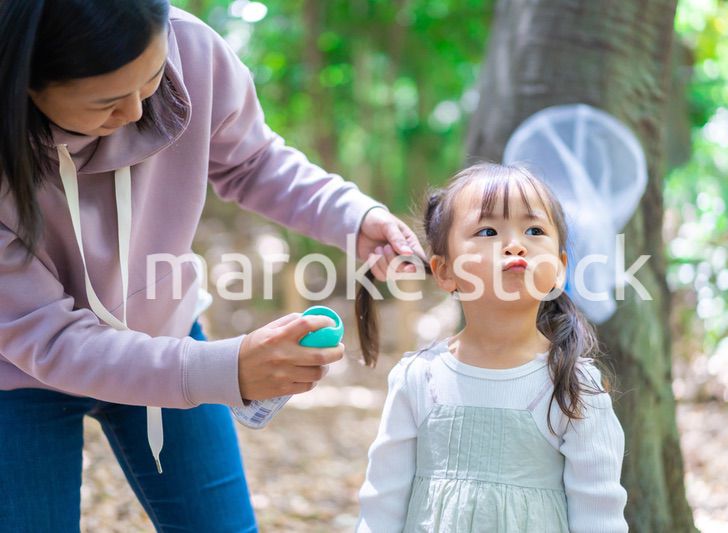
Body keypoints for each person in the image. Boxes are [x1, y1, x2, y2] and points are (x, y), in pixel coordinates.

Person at [0, 1, 423, 531]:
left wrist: (352, 217)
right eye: (106, 100)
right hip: (17, 376)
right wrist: (226, 370)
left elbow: (253, 161)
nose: (135, 112)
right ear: (23, 83)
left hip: (168, 336)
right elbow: (51, 337)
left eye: (153, 77)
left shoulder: (191, 48)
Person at [355, 163, 628, 532]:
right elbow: (382, 505)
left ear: (560, 269)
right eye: (487, 230)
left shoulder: (574, 388)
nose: (516, 244)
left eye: (534, 230)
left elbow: (599, 516)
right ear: (445, 271)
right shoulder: (419, 378)